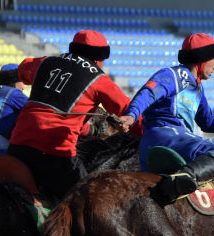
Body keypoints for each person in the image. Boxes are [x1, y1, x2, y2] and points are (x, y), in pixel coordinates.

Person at [7, 29, 139, 202]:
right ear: (99, 59)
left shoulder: (47, 62)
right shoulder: (100, 80)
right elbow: (129, 109)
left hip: (17, 145)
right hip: (55, 153)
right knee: (87, 204)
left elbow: (24, 68)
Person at [118, 33, 214, 204]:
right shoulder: (176, 75)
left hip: (166, 142)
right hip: (167, 138)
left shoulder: (197, 88)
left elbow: (209, 122)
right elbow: (148, 92)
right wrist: (132, 115)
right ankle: (182, 180)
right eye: (213, 59)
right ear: (202, 59)